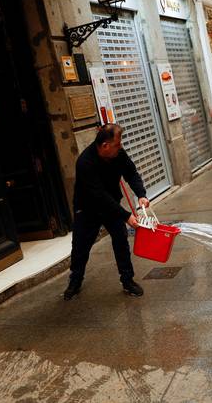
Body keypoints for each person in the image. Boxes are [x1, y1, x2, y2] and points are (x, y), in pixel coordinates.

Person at [63, 123, 150, 300]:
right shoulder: (85, 163)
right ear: (105, 146)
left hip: (111, 206)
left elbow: (131, 173)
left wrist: (141, 194)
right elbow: (99, 196)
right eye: (117, 144)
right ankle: (75, 280)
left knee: (121, 241)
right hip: (87, 208)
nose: (121, 147)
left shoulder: (118, 154)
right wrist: (126, 216)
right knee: (80, 246)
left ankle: (127, 280)